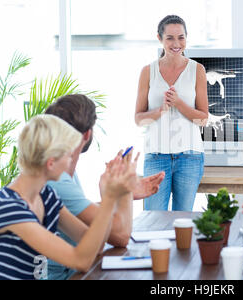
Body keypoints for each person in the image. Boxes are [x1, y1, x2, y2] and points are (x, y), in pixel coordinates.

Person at [0, 115, 138, 280]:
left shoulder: (46, 196)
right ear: (50, 163)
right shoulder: (10, 208)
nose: (71, 161)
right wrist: (109, 198)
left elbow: (96, 246)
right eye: (68, 155)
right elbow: (81, 261)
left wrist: (108, 191)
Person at [44, 94, 165, 280]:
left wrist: (120, 194)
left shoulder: (64, 174)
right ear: (87, 134)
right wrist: (121, 191)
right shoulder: (57, 179)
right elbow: (120, 236)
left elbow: (87, 221)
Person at [134, 15, 208, 211]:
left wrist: (179, 103)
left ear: (186, 38)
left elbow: (203, 119)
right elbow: (138, 119)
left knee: (182, 220)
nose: (176, 43)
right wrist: (160, 110)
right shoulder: (147, 71)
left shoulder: (197, 70)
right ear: (159, 38)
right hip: (156, 156)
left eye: (181, 37)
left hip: (189, 157)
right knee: (153, 218)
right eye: (170, 38)